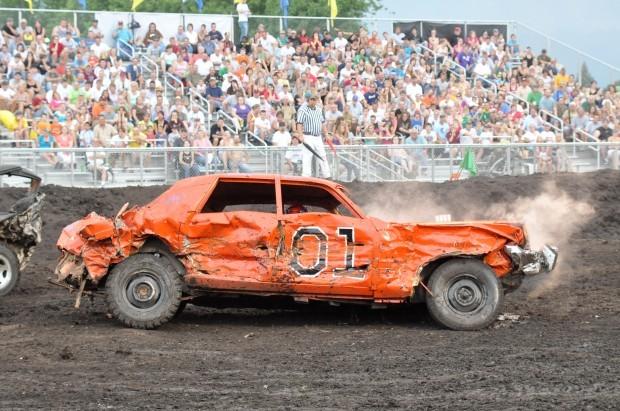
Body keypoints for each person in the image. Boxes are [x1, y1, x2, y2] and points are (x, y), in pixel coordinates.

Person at [296, 93, 331, 178]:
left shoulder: (319, 109)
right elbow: (299, 123)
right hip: (308, 136)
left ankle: (327, 175)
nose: (314, 101)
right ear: (308, 100)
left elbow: (322, 123)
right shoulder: (302, 109)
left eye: (315, 99)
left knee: (322, 155)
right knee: (308, 156)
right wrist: (300, 135)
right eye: (312, 99)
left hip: (318, 136)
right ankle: (306, 176)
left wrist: (326, 134)